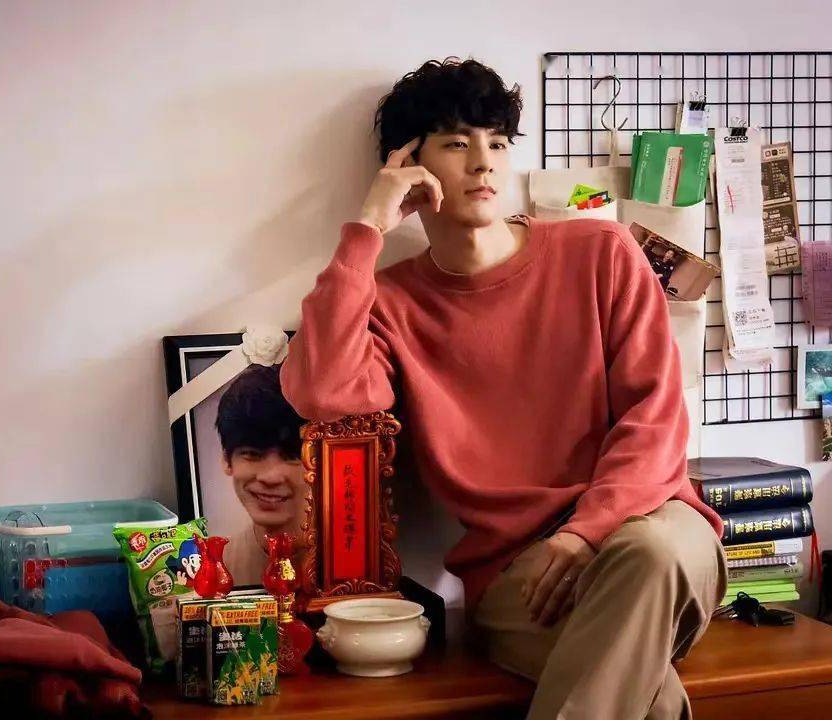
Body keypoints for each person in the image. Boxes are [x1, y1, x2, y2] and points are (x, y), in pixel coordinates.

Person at [280, 57, 726, 720]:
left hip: (653, 525)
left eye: (497, 141)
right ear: (408, 167)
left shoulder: (601, 254)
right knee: (646, 696)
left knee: (650, 554)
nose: (484, 162)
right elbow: (324, 394)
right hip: (519, 574)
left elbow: (656, 419)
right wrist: (368, 227)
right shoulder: (392, 304)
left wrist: (585, 533)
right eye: (457, 143)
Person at [215, 364, 308, 586]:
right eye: (252, 454)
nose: (271, 477)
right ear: (227, 460)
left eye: (292, 456)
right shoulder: (217, 568)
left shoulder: (361, 565)